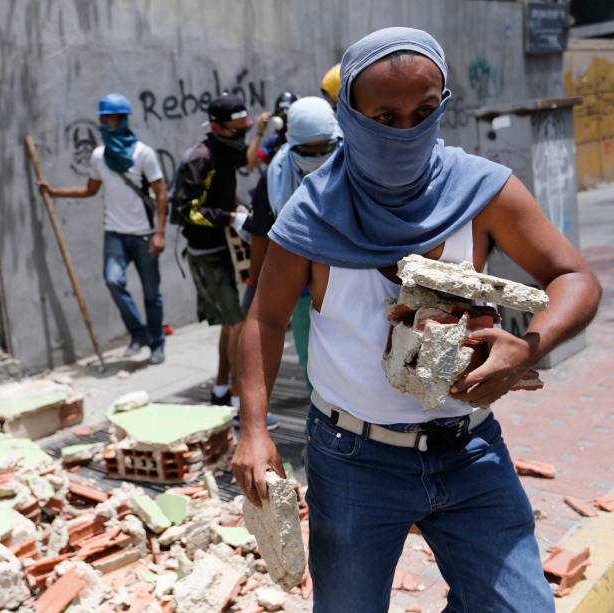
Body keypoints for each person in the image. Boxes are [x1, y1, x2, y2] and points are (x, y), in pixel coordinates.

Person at [232, 27, 600, 612]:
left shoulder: (482, 192)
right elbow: (265, 320)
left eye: (424, 111)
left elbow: (575, 277)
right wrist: (253, 430)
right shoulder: (314, 211)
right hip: (354, 460)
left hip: (471, 450)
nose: (406, 131)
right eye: (385, 115)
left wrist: (530, 346)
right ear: (349, 114)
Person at [170, 93, 278, 430]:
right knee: (236, 325)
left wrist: (236, 210)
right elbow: (184, 211)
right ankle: (239, 404)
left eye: (243, 128)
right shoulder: (199, 159)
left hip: (226, 249)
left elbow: (245, 164)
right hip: (207, 254)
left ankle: (220, 390)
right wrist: (227, 216)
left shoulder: (225, 150)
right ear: (216, 127)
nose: (240, 134)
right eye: (236, 129)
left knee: (230, 324)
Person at [39, 93, 169, 364]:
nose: (106, 123)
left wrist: (160, 233)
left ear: (122, 120)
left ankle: (157, 343)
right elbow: (90, 190)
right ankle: (138, 333)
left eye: (111, 118)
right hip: (115, 234)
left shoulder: (143, 154)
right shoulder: (99, 156)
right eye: (103, 119)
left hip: (144, 234)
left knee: (151, 294)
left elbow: (161, 193)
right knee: (112, 280)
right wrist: (55, 192)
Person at [242, 96, 341, 394]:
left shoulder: (360, 162)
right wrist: (254, 286)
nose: (318, 156)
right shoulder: (276, 176)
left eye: (325, 148)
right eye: (307, 151)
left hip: (353, 278)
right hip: (302, 287)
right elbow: (263, 234)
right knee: (313, 362)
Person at [246, 91, 299, 171]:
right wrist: (260, 132)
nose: (285, 120)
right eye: (281, 115)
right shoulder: (274, 141)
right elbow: (250, 165)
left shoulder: (306, 138)